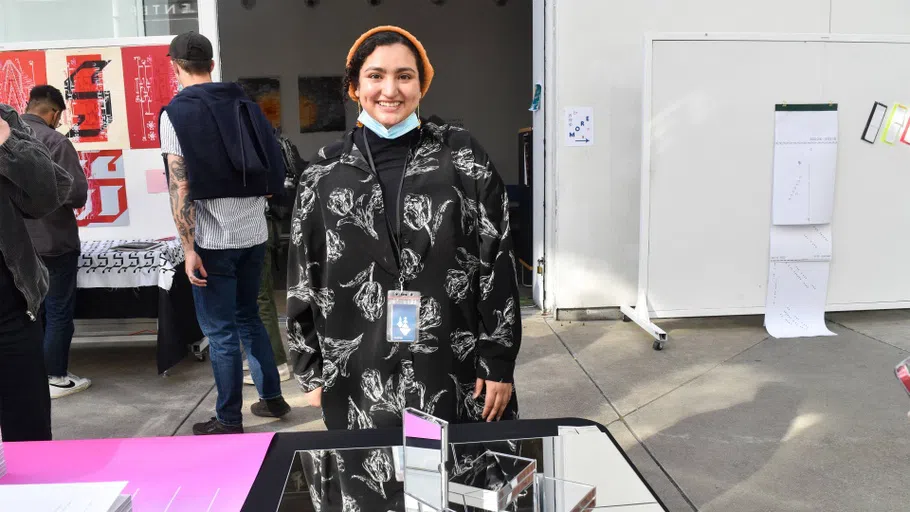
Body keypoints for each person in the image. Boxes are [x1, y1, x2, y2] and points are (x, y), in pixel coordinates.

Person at [286, 26, 521, 508]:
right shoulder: (323, 173)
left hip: (454, 367)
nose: (389, 90)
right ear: (355, 86)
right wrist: (311, 372)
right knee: (370, 491)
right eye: (375, 76)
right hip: (358, 371)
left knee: (460, 491)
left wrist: (498, 361)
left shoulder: (462, 157)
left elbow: (494, 260)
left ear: (422, 84)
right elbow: (302, 273)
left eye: (404, 76)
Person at [159, 31, 291, 435]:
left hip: (213, 241)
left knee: (219, 331)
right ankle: (272, 399)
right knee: (249, 316)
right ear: (212, 65)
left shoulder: (175, 114)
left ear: (174, 66)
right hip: (254, 234)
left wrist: (188, 247)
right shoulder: (247, 106)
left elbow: (180, 184)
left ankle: (229, 418)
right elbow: (273, 171)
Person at [0, 103, 74, 441]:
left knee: (29, 440)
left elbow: (50, 195)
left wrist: (6, 143)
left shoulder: (4, 119)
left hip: (11, 309)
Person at [22, 85, 90, 399]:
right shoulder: (55, 141)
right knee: (59, 311)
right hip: (54, 240)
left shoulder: (7, 138)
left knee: (27, 314)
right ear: (54, 112)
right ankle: (55, 377)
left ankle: (31, 378)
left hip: (17, 244)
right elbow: (76, 194)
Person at [243, 130, 307, 386]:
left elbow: (266, 190)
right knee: (257, 298)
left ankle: (276, 363)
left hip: (258, 224)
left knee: (260, 298)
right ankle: (265, 356)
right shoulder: (269, 141)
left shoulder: (254, 145)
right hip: (266, 223)